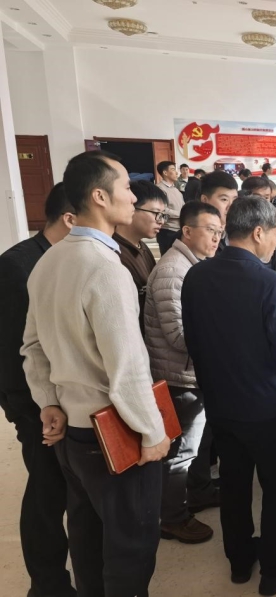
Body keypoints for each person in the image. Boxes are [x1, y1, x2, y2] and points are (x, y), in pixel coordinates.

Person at [21, 150, 170, 597]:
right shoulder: (105, 268)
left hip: (74, 435)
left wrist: (49, 401)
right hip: (115, 435)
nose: (134, 197)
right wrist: (152, 430)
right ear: (100, 197)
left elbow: (32, 347)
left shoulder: (49, 259)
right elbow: (126, 366)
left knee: (87, 540)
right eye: (126, 187)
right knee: (130, 550)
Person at [182, 197, 276, 595]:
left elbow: (193, 341)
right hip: (268, 408)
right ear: (258, 232)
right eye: (275, 235)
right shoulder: (270, 283)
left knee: (234, 485)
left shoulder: (196, 277)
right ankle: (274, 568)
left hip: (221, 405)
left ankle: (239, 561)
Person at [0, 184, 77, 597]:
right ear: (70, 219)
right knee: (46, 494)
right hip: (35, 406)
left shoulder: (62, 260)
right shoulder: (18, 266)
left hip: (60, 400)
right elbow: (14, 350)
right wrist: (33, 410)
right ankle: (47, 586)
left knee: (61, 488)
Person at [145, 202, 223, 546]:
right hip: (179, 376)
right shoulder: (174, 272)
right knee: (180, 453)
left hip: (192, 371)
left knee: (199, 442)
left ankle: (200, 491)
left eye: (219, 232)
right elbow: (178, 336)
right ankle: (173, 519)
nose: (216, 238)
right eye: (210, 230)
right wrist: (226, 335)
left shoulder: (192, 265)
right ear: (187, 231)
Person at [113, 180, 168, 333]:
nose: (161, 221)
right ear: (131, 207)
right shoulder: (115, 253)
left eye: (163, 215)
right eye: (156, 213)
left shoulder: (142, 247)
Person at [200, 170, 238, 255]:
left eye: (235, 200)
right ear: (204, 200)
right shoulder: (197, 238)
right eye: (224, 199)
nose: (231, 206)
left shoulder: (237, 233)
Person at [156, 160, 185, 254]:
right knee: (168, 257)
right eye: (173, 169)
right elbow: (162, 209)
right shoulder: (159, 189)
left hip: (179, 229)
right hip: (167, 230)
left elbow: (183, 207)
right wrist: (182, 214)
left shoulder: (176, 190)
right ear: (165, 173)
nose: (177, 173)